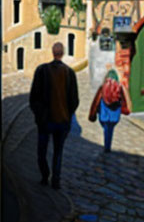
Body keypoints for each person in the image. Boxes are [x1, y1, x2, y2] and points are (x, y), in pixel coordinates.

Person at [29, 42, 79, 189]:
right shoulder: (70, 73)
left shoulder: (41, 70)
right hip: (62, 121)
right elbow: (75, 100)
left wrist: (39, 115)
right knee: (58, 152)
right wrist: (68, 114)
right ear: (62, 53)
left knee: (41, 152)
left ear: (53, 52)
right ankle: (55, 180)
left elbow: (33, 97)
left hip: (45, 121)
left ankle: (45, 176)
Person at [88, 69, 131, 152]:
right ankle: (108, 145)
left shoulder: (103, 87)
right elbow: (124, 101)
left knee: (106, 129)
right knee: (110, 129)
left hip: (104, 115)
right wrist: (125, 110)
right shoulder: (120, 87)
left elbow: (96, 101)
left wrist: (92, 114)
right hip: (114, 116)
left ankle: (107, 145)